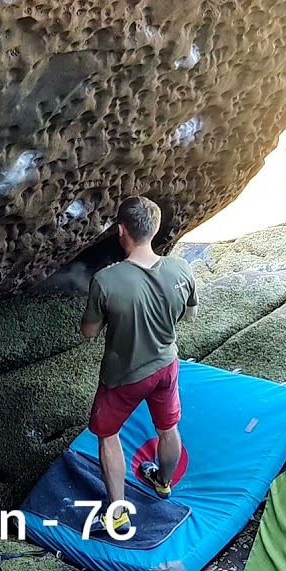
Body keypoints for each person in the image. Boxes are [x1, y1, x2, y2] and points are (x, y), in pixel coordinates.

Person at [80, 196, 198, 535]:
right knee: (167, 428)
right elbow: (188, 315)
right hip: (167, 366)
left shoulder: (106, 280)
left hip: (124, 375)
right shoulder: (181, 269)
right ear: (156, 228)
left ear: (121, 231)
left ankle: (117, 513)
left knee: (107, 435)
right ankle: (163, 482)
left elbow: (88, 333)